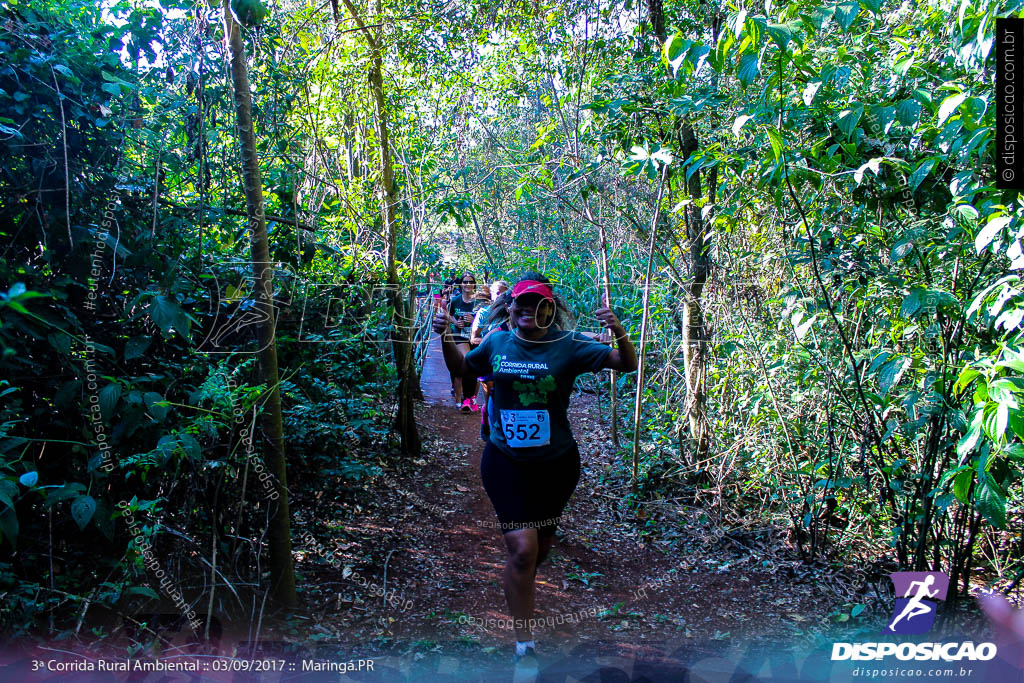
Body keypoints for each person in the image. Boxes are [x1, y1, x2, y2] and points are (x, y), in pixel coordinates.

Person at [432, 272, 638, 676]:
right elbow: (464, 369)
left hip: (557, 465)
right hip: (505, 461)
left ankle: (521, 580)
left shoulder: (571, 345)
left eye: (538, 304)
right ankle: (524, 646)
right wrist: (443, 337)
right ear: (510, 308)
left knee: (540, 549)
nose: (528, 310)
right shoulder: (496, 342)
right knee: (523, 551)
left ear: (551, 310)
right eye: (521, 304)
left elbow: (625, 364)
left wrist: (619, 332)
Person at [447, 272, 481, 412]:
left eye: (470, 281)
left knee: (476, 368)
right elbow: (448, 314)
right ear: (461, 284)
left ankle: (472, 398)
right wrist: (456, 321)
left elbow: (485, 320)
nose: (467, 284)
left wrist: (473, 321)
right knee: (467, 362)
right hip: (459, 335)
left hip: (475, 336)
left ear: (474, 284)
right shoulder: (455, 300)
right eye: (465, 282)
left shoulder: (479, 301)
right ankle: (460, 399)